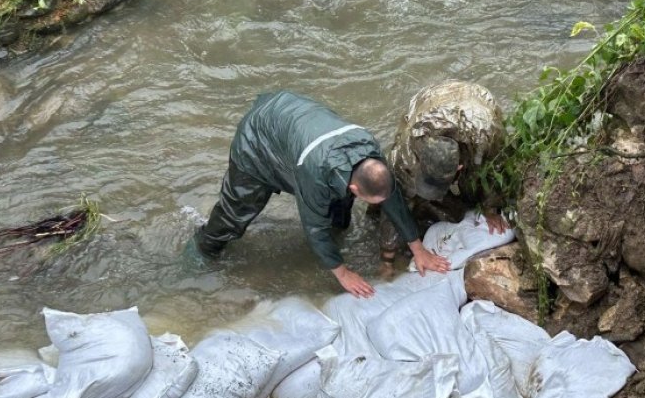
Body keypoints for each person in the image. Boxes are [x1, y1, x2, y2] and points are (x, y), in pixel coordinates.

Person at [193, 90, 449, 298]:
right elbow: (313, 227)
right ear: (355, 188)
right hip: (259, 138)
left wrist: (418, 248)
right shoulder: (314, 174)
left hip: (300, 125)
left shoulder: (370, 153)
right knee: (235, 214)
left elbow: (390, 196)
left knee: (339, 217)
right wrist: (343, 273)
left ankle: (336, 238)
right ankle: (201, 250)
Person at [377, 80, 510, 269]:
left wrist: (491, 207)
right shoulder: (408, 154)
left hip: (476, 103)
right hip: (430, 100)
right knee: (405, 193)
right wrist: (387, 256)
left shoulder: (485, 137)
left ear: (458, 169)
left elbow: (495, 168)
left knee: (476, 182)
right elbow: (394, 200)